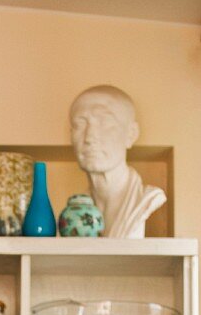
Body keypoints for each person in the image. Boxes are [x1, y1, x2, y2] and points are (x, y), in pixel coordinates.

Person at [69, 85, 166, 238]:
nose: (89, 137)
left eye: (105, 123)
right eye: (79, 124)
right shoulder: (75, 212)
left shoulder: (145, 200)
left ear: (131, 134)